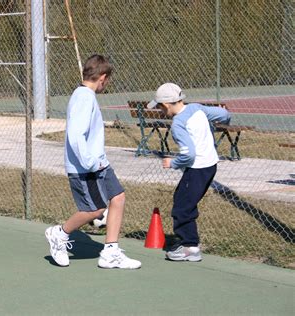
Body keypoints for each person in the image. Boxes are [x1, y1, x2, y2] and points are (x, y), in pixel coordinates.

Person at [45, 55, 141, 269]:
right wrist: (89, 162)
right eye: (108, 81)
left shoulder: (86, 95)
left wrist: (98, 161)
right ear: (103, 78)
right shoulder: (84, 97)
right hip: (86, 167)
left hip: (100, 163)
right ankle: (59, 234)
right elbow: (75, 135)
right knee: (96, 210)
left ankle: (110, 252)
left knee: (118, 197)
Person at [147, 83, 230, 262]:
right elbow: (223, 114)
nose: (160, 111)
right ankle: (189, 244)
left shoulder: (178, 124)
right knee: (183, 200)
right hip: (210, 165)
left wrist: (173, 163)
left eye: (160, 107)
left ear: (167, 105)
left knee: (182, 207)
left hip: (197, 169)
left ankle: (189, 247)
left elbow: (189, 154)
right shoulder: (196, 108)